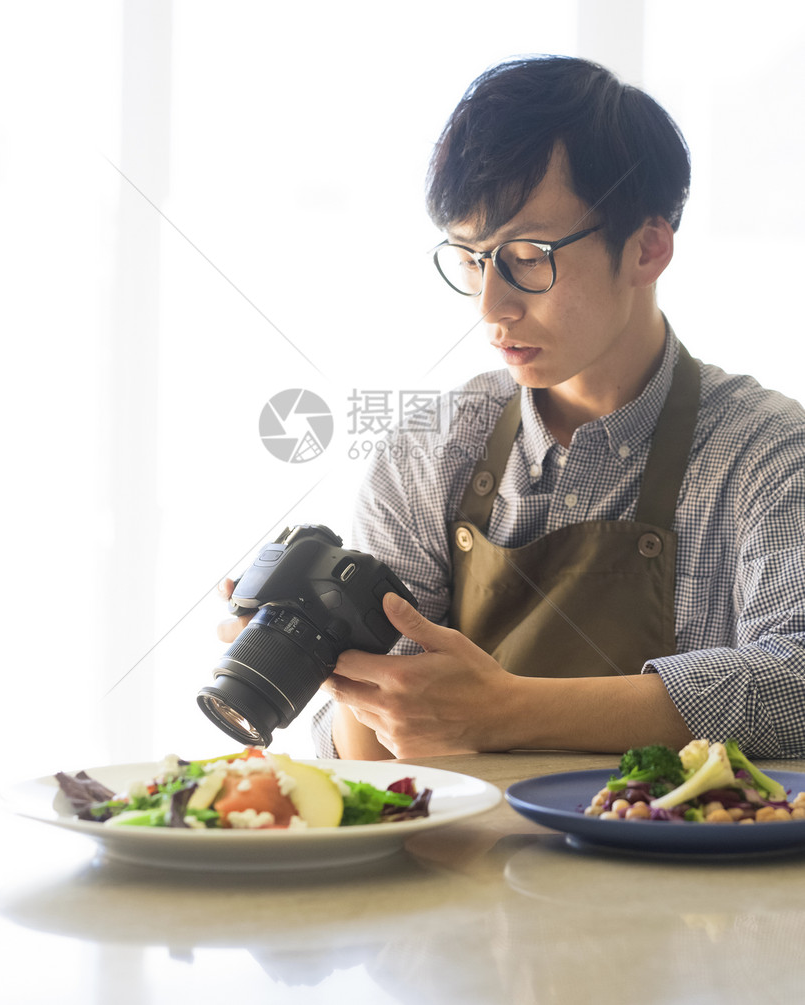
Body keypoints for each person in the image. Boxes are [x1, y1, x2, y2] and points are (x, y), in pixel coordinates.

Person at [220, 55, 805, 761]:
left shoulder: (766, 451)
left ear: (648, 248)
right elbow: (371, 772)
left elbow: (796, 679)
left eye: (527, 255)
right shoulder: (429, 451)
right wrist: (336, 657)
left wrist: (510, 711)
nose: (492, 307)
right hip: (462, 868)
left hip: (676, 868)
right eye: (470, 258)